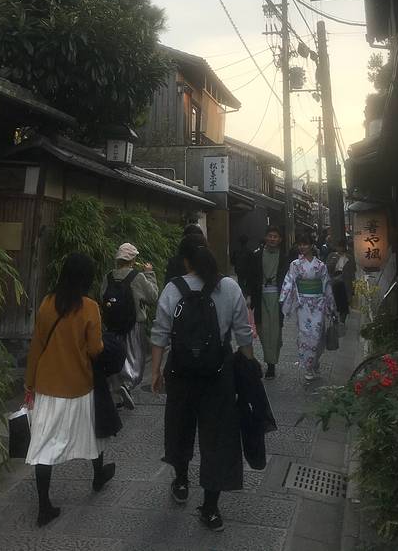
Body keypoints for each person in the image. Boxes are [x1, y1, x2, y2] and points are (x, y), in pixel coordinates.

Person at [150, 238, 254, 533]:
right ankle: (210, 508)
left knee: (180, 427)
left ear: (185, 261)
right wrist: (248, 368)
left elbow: (160, 333)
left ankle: (182, 481)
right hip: (219, 373)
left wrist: (155, 371)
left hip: (181, 372)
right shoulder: (230, 288)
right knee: (217, 438)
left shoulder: (173, 289)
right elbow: (243, 334)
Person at [24, 253, 114, 527]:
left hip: (48, 384)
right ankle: (98, 476)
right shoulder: (90, 307)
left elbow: (37, 346)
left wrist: (29, 383)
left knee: (44, 444)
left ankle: (44, 506)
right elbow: (95, 349)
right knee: (91, 431)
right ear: (87, 279)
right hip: (79, 383)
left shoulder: (46, 303)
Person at [101, 242, 158, 410]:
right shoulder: (137, 277)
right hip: (134, 325)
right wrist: (149, 274)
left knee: (116, 356)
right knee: (135, 359)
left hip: (112, 325)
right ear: (133, 260)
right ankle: (127, 385)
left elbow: (102, 296)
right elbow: (153, 296)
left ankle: (117, 391)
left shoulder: (108, 277)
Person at [279, 231, 337, 382]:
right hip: (303, 304)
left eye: (305, 244)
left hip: (318, 304)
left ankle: (315, 361)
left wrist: (331, 306)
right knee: (305, 334)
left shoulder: (321, 266)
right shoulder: (295, 265)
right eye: (300, 244)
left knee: (318, 335)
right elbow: (289, 282)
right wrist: (284, 297)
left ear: (311, 245)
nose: (302, 247)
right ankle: (309, 366)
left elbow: (326, 285)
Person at [245, 225, 288, 379]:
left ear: (280, 239)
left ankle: (271, 364)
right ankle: (269, 359)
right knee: (263, 330)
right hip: (260, 297)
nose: (272, 239)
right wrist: (249, 295)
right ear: (265, 237)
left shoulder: (284, 257)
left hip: (277, 298)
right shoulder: (256, 256)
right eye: (270, 236)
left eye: (275, 236)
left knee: (275, 332)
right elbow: (251, 276)